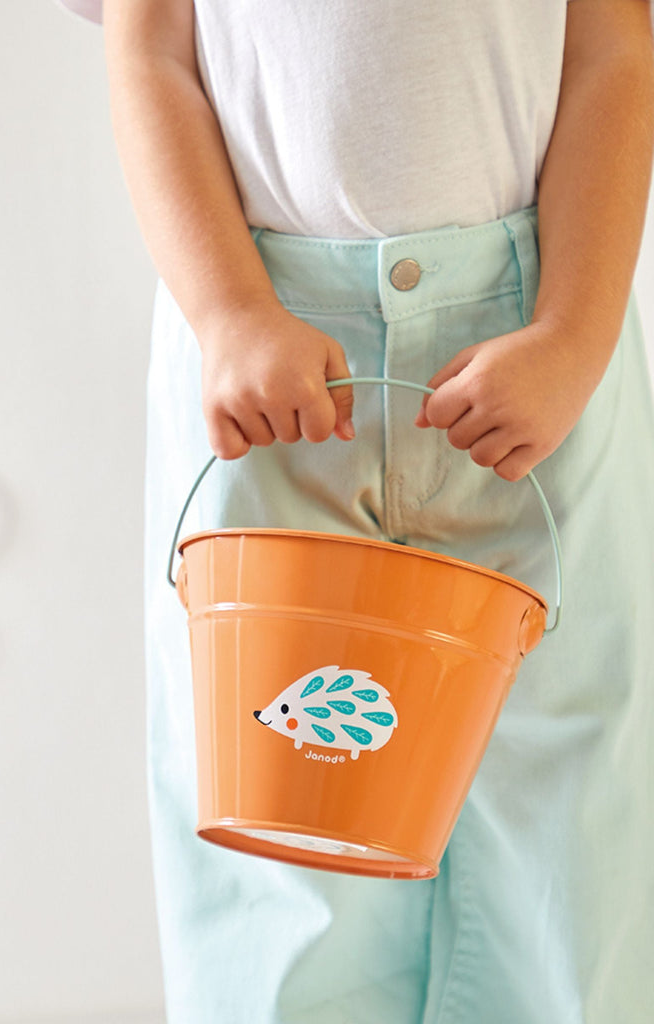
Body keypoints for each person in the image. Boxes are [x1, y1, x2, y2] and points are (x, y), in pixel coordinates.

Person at [62, 1, 654, 1020]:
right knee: (273, 810)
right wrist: (230, 312)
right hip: (261, 346)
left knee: (570, 807)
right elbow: (148, 46)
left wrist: (572, 332)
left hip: (537, 328)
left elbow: (613, 44)